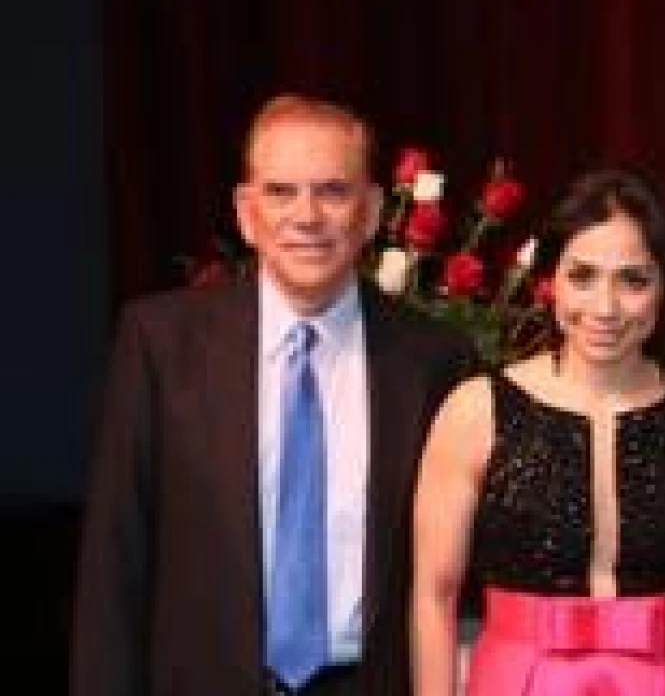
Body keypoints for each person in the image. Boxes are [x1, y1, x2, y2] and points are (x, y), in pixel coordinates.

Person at [71, 93, 475, 696]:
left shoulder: (433, 361)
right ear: (246, 212)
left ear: (371, 212)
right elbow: (115, 561)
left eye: (332, 191)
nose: (306, 216)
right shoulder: (160, 346)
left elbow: (459, 581)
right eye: (281, 192)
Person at [412, 168, 665, 695]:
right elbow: (435, 593)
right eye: (582, 276)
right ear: (551, 281)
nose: (604, 308)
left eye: (633, 280)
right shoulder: (476, 410)